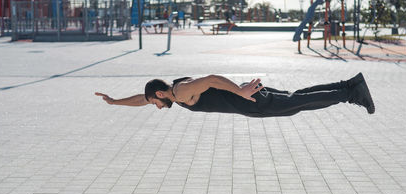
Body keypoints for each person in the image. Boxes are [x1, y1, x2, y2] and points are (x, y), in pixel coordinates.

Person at [95, 73, 375, 117]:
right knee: (296, 99)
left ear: (160, 93)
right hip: (248, 98)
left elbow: (212, 79)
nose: (156, 107)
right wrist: (114, 101)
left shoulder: (180, 93)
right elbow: (140, 99)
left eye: (155, 102)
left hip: (250, 101)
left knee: (297, 103)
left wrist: (241, 91)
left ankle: (351, 93)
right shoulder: (174, 89)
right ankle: (350, 85)